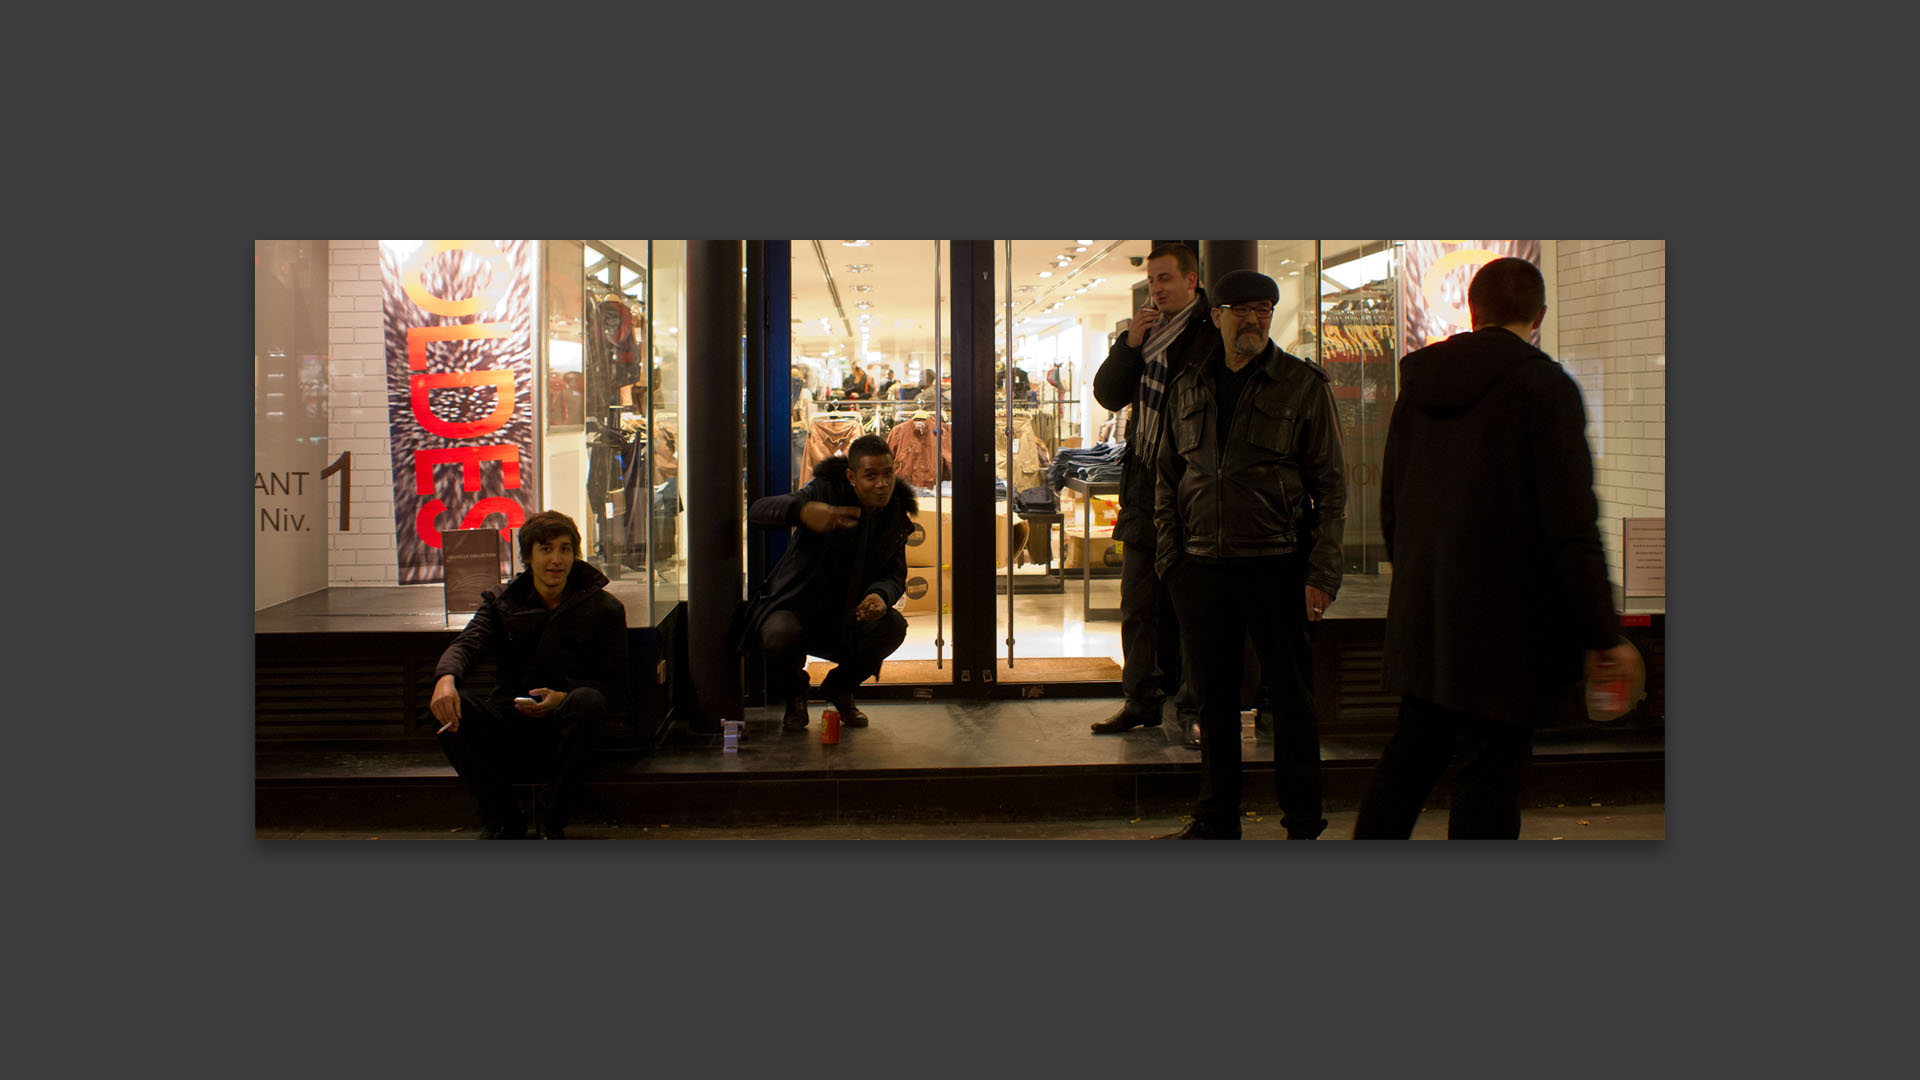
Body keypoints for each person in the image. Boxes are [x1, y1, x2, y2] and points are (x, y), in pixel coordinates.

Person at [1354, 257, 1642, 839]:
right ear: (1539, 315)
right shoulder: (1545, 387)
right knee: (1490, 778)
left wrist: (1417, 582)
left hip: (1430, 616)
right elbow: (1571, 524)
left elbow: (1393, 501)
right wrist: (1602, 633)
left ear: (1471, 309)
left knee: (1410, 758)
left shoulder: (1420, 383)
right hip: (1510, 630)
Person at [1153, 269, 1346, 839]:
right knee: (1213, 699)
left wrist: (1322, 572)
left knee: (1291, 698)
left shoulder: (1301, 384)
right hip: (1201, 567)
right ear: (1216, 315)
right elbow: (1166, 478)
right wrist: (1171, 560)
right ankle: (1216, 817)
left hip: (1277, 563)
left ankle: (1304, 821)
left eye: (1264, 309)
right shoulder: (1187, 384)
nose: (1255, 320)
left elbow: (1331, 488)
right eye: (1243, 309)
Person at [429, 510, 629, 839]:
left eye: (565, 549)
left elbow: (618, 688)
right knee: (447, 710)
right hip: (510, 719)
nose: (556, 559)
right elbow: (467, 644)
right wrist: (445, 679)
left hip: (566, 725)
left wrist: (563, 697)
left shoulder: (604, 609)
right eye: (546, 549)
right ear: (528, 556)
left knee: (589, 702)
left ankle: (552, 819)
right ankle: (504, 817)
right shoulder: (503, 603)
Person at [1089, 243, 1213, 745]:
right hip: (1143, 485)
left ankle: (1191, 707)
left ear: (1191, 281)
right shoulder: (1145, 336)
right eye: (1153, 281)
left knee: (1189, 606)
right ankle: (1141, 700)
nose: (1158, 289)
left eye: (1166, 279)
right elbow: (1108, 394)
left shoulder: (1210, 335)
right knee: (1137, 602)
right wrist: (1128, 345)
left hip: (1192, 491)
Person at [735, 434, 913, 731]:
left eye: (888, 474)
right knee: (778, 634)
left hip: (848, 616)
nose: (881, 484)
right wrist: (803, 511)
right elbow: (758, 511)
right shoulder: (824, 491)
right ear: (851, 477)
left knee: (893, 628)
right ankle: (795, 694)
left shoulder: (894, 515)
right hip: (799, 610)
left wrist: (880, 596)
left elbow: (895, 575)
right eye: (871, 476)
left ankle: (839, 689)